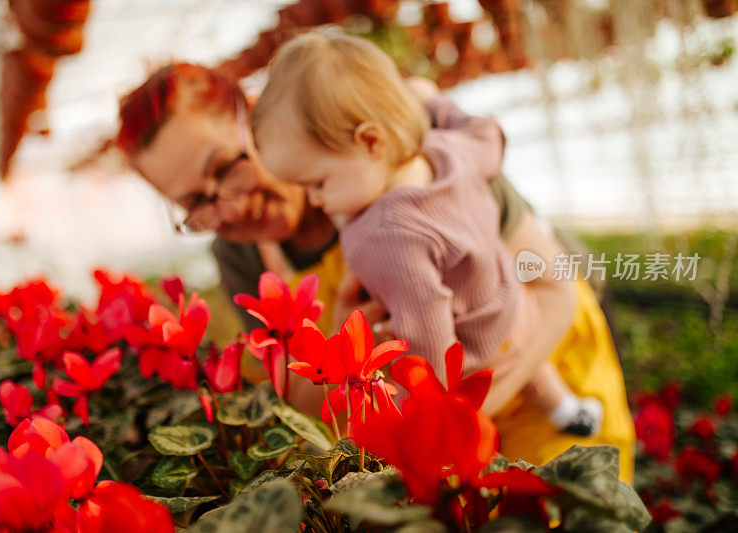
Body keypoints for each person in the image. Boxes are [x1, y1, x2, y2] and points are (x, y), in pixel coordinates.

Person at [115, 61, 636, 483]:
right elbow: (303, 403)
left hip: (545, 373)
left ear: (256, 119)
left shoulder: (403, 149)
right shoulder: (241, 258)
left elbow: (555, 285)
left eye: (227, 166)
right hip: (436, 440)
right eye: (197, 203)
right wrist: (342, 343)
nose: (229, 205)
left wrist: (458, 415)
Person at [250, 29, 604, 437]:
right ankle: (566, 409)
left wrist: (407, 417)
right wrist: (433, 101)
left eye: (318, 183)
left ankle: (558, 411)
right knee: (533, 367)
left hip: (473, 347)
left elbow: (429, 341)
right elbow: (487, 135)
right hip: (512, 305)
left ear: (370, 141)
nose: (313, 200)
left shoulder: (386, 236)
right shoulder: (445, 150)